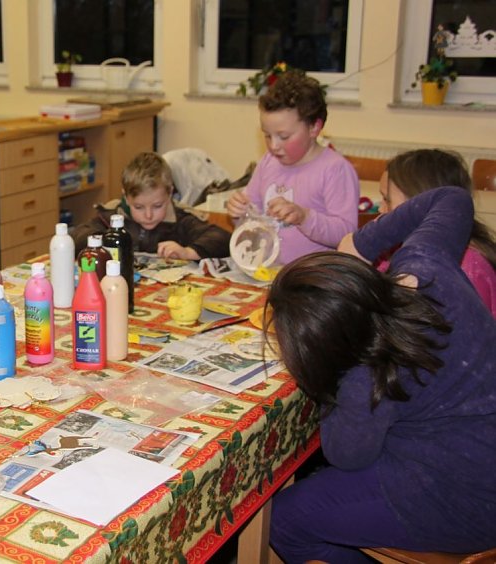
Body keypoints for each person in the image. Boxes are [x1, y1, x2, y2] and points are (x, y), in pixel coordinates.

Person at [267, 186, 496, 561]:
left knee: (285, 519)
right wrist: (361, 242)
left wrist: (333, 382)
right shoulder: (425, 268)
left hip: (468, 498)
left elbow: (345, 455)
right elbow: (452, 198)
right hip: (478, 457)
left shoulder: (363, 379)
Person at [226, 71, 359, 264]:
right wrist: (239, 213)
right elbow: (251, 219)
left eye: (284, 136)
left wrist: (304, 217)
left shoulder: (335, 169)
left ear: (314, 128)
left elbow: (346, 234)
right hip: (267, 271)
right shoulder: (268, 162)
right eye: (267, 135)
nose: (273, 145)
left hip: (312, 277)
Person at [375, 148, 496, 316]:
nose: (381, 209)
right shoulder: (396, 247)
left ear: (422, 204)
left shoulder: (467, 268)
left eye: (387, 199)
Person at [71, 152, 230, 260]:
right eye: (139, 207)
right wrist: (105, 242)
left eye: (157, 206)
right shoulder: (112, 217)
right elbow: (77, 236)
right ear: (126, 197)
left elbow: (222, 238)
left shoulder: (181, 220)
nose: (148, 215)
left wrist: (187, 252)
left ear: (169, 194)